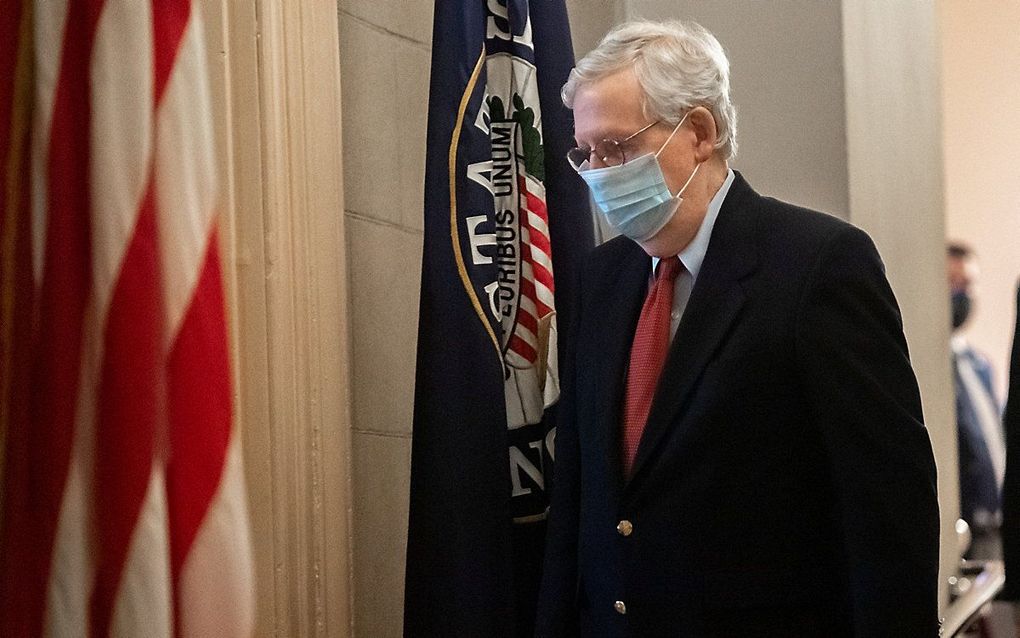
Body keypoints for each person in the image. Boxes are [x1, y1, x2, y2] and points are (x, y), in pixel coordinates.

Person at [536, 20, 940, 637]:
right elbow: (580, 499)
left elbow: (887, 506)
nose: (597, 173)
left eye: (617, 148)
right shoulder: (601, 279)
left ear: (699, 132)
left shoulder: (817, 265)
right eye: (585, 153)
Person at [947, 242, 1005, 556]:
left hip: (995, 523)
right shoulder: (932, 366)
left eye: (967, 285)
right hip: (962, 528)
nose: (961, 294)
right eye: (953, 284)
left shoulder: (978, 365)